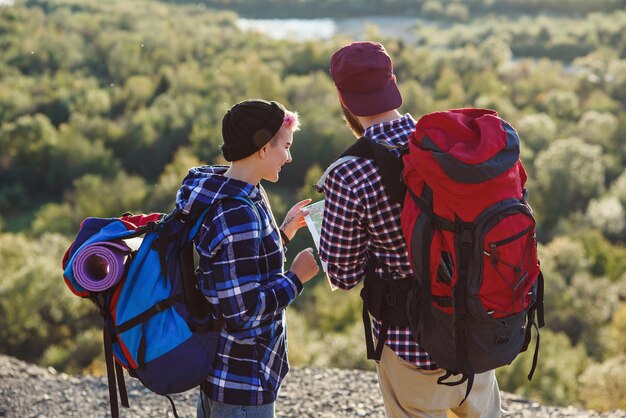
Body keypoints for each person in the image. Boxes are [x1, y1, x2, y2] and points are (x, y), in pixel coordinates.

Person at [318, 41, 502, 418]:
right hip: (476, 335)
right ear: (394, 82)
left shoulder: (348, 173)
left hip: (411, 347)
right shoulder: (451, 146)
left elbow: (343, 273)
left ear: (343, 98)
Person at [175, 99, 319, 418]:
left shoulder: (238, 191)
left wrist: (282, 234)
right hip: (241, 383)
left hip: (224, 373)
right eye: (286, 146)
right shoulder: (237, 213)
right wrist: (296, 279)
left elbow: (239, 268)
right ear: (264, 148)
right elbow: (242, 314)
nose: (290, 156)